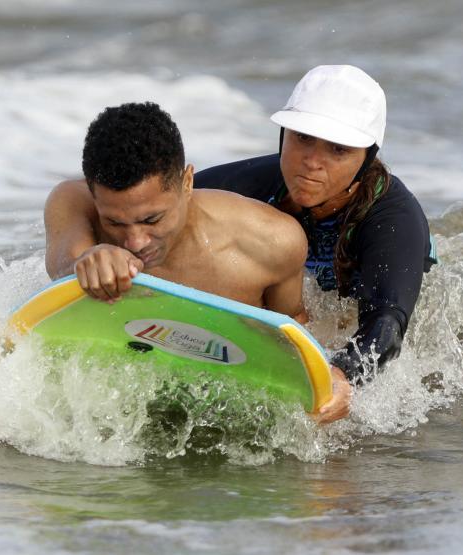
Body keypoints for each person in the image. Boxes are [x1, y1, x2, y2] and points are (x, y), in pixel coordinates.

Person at [44, 101, 352, 423]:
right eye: (115, 223)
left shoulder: (272, 242)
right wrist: (87, 259)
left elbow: (292, 326)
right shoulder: (74, 203)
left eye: (152, 219)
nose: (135, 242)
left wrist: (329, 377)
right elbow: (62, 265)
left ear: (187, 182)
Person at [195, 65, 437, 383]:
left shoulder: (393, 220)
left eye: (338, 149)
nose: (311, 162)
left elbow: (386, 328)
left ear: (366, 158)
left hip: (381, 301)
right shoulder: (246, 184)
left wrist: (340, 378)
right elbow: (156, 212)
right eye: (303, 138)